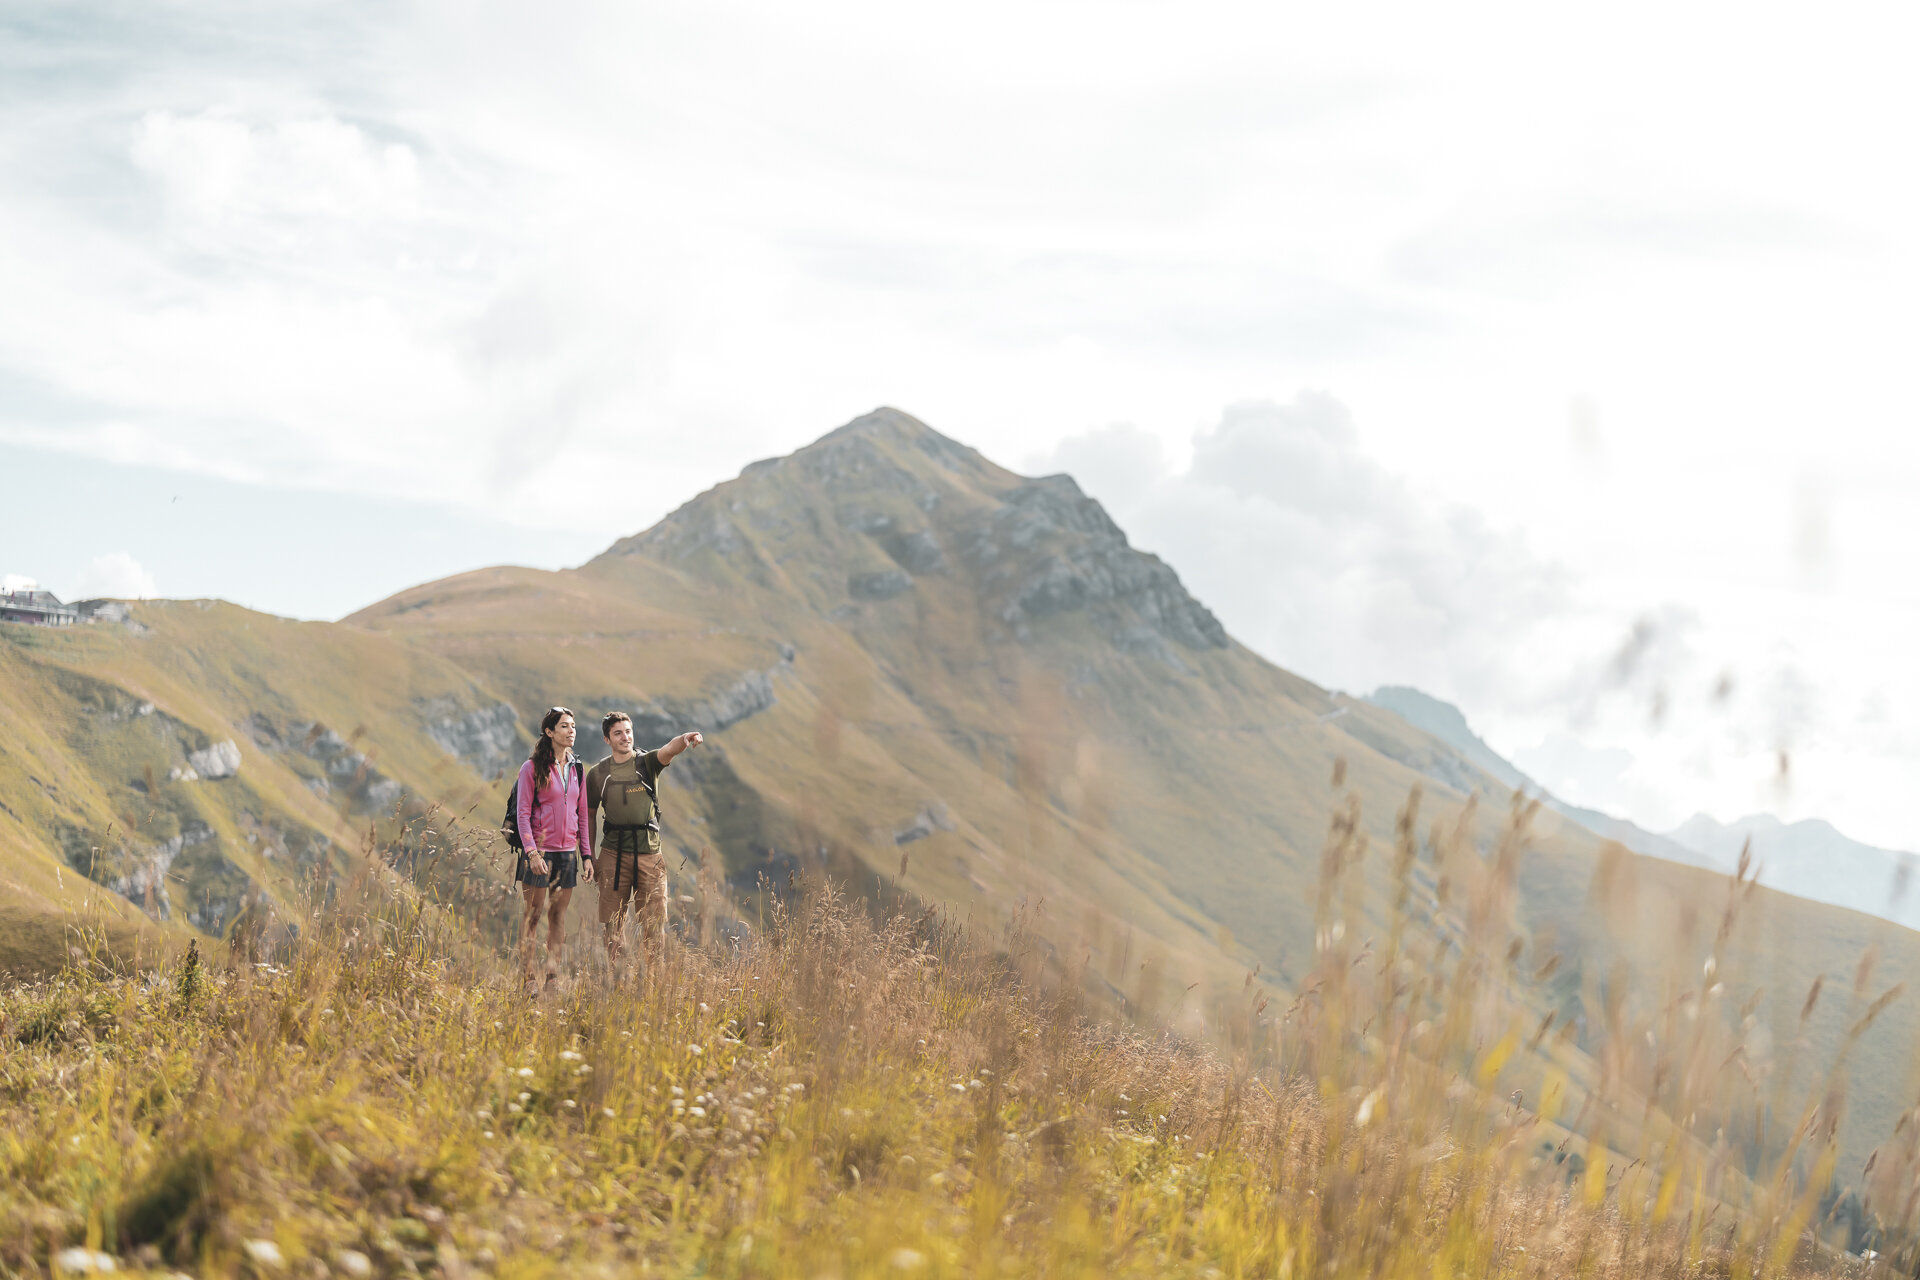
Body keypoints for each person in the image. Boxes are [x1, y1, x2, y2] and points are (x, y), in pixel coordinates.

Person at [587, 711, 704, 967]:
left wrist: (686, 737)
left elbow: (668, 750)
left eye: (628, 731)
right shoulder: (597, 774)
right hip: (612, 856)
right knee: (611, 925)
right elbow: (588, 815)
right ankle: (617, 980)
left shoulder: (647, 763)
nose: (625, 737)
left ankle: (653, 984)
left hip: (650, 856)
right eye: (618, 733)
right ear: (607, 739)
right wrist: (589, 856)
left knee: (653, 925)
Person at [514, 707, 593, 994]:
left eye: (573, 726)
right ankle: (528, 980)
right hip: (538, 853)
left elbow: (581, 813)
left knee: (557, 917)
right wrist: (532, 853)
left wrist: (586, 855)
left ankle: (552, 979)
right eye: (564, 726)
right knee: (533, 916)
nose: (571, 730)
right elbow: (523, 813)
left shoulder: (577, 768)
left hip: (566, 854)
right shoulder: (531, 768)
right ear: (549, 732)